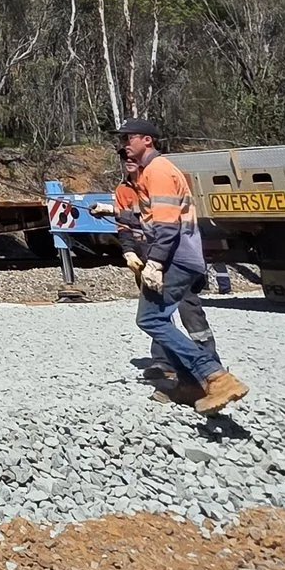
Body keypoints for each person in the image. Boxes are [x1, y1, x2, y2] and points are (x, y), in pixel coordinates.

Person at [114, 118, 248, 414]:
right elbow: (153, 221)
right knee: (158, 317)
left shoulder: (158, 171)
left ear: (147, 140)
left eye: (129, 137)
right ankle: (190, 385)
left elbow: (167, 226)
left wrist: (156, 263)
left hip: (176, 257)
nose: (124, 143)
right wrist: (118, 218)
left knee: (150, 319)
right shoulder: (156, 171)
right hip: (180, 256)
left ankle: (214, 375)